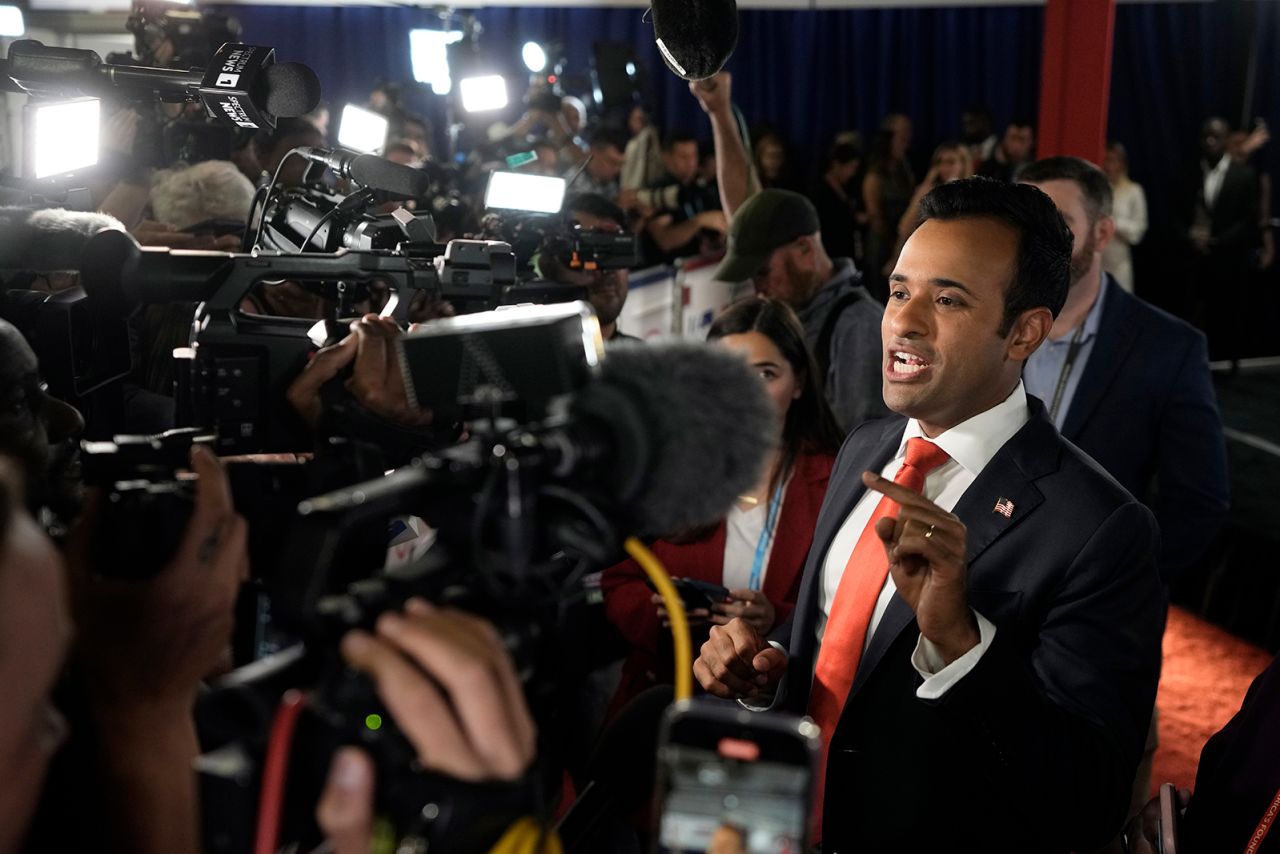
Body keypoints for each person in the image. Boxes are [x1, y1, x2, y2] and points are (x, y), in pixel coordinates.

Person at [694, 176, 1165, 852]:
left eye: (947, 299)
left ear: (1024, 332)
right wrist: (763, 671)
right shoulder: (867, 444)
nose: (904, 321)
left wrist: (959, 640)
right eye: (899, 290)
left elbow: (1083, 795)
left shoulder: (1101, 530)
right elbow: (830, 649)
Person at [601, 297, 841, 716]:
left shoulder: (839, 481)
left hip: (780, 710)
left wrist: (778, 621)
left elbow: (850, 611)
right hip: (667, 701)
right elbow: (618, 583)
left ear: (799, 382)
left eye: (766, 374)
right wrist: (661, 614)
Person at [1019, 156, 1229, 586]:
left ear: (1102, 233)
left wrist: (1122, 585)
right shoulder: (988, 326)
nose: (1035, 239)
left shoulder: (1170, 349)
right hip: (979, 590)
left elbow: (1199, 503)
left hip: (1093, 610)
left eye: (1057, 222)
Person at [713, 189, 887, 432]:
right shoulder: (792, 313)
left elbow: (857, 447)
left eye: (763, 272)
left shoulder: (858, 327)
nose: (758, 289)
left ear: (804, 249)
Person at [1176, 117, 1260, 359]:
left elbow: (1246, 219)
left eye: (1216, 136)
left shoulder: (1243, 175)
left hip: (1225, 259)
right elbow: (1175, 213)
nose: (1210, 141)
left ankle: (1222, 360)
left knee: (1224, 312)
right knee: (1188, 311)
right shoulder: (1188, 172)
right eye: (1206, 136)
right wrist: (1189, 238)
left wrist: (1217, 241)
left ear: (1227, 140)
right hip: (1190, 259)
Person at [535, 193, 639, 342]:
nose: (605, 269)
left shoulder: (644, 360)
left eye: (614, 251)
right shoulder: (523, 360)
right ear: (547, 265)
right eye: (588, 251)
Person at [642, 132, 727, 262]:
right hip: (664, 273)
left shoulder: (701, 189)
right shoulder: (656, 192)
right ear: (666, 157)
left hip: (699, 266)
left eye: (694, 156)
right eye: (683, 157)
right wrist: (699, 221)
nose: (691, 162)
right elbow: (665, 241)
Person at [861, 114, 915, 287]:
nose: (906, 142)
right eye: (902, 138)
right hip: (882, 243)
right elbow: (875, 215)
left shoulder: (904, 170)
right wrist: (892, 244)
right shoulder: (875, 175)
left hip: (902, 238)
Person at [895, 140, 974, 245]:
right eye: (940, 162)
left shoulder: (972, 193)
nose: (944, 168)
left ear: (964, 164)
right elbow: (904, 228)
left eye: (951, 162)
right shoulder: (928, 191)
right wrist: (927, 184)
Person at [1100, 142, 1148, 293]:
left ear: (1122, 163)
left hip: (1120, 264)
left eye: (1113, 160)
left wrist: (1113, 223)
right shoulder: (1099, 190)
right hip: (1098, 261)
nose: (1109, 165)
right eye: (1106, 160)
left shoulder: (1134, 191)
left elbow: (1139, 229)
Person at [810, 141, 863, 263]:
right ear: (836, 165)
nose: (853, 173)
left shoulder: (847, 188)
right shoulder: (820, 191)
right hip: (830, 250)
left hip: (845, 249)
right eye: (851, 167)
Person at [573, 128, 629, 201]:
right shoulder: (573, 184)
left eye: (620, 165)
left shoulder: (610, 185)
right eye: (612, 162)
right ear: (593, 153)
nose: (617, 170)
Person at [977, 119, 1035, 183]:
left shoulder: (1036, 170)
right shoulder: (988, 167)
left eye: (1022, 140)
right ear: (1004, 139)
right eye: (1013, 138)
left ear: (1032, 142)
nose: (1016, 145)